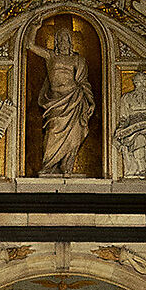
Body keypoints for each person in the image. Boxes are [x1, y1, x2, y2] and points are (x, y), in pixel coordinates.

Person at [29, 19, 95, 174]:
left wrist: (90, 101)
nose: (63, 42)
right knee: (52, 130)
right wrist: (34, 28)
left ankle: (67, 166)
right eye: (60, 39)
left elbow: (83, 82)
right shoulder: (51, 56)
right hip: (55, 102)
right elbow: (30, 46)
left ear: (70, 42)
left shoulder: (78, 60)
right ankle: (49, 166)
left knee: (74, 134)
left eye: (66, 39)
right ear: (56, 42)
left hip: (74, 99)